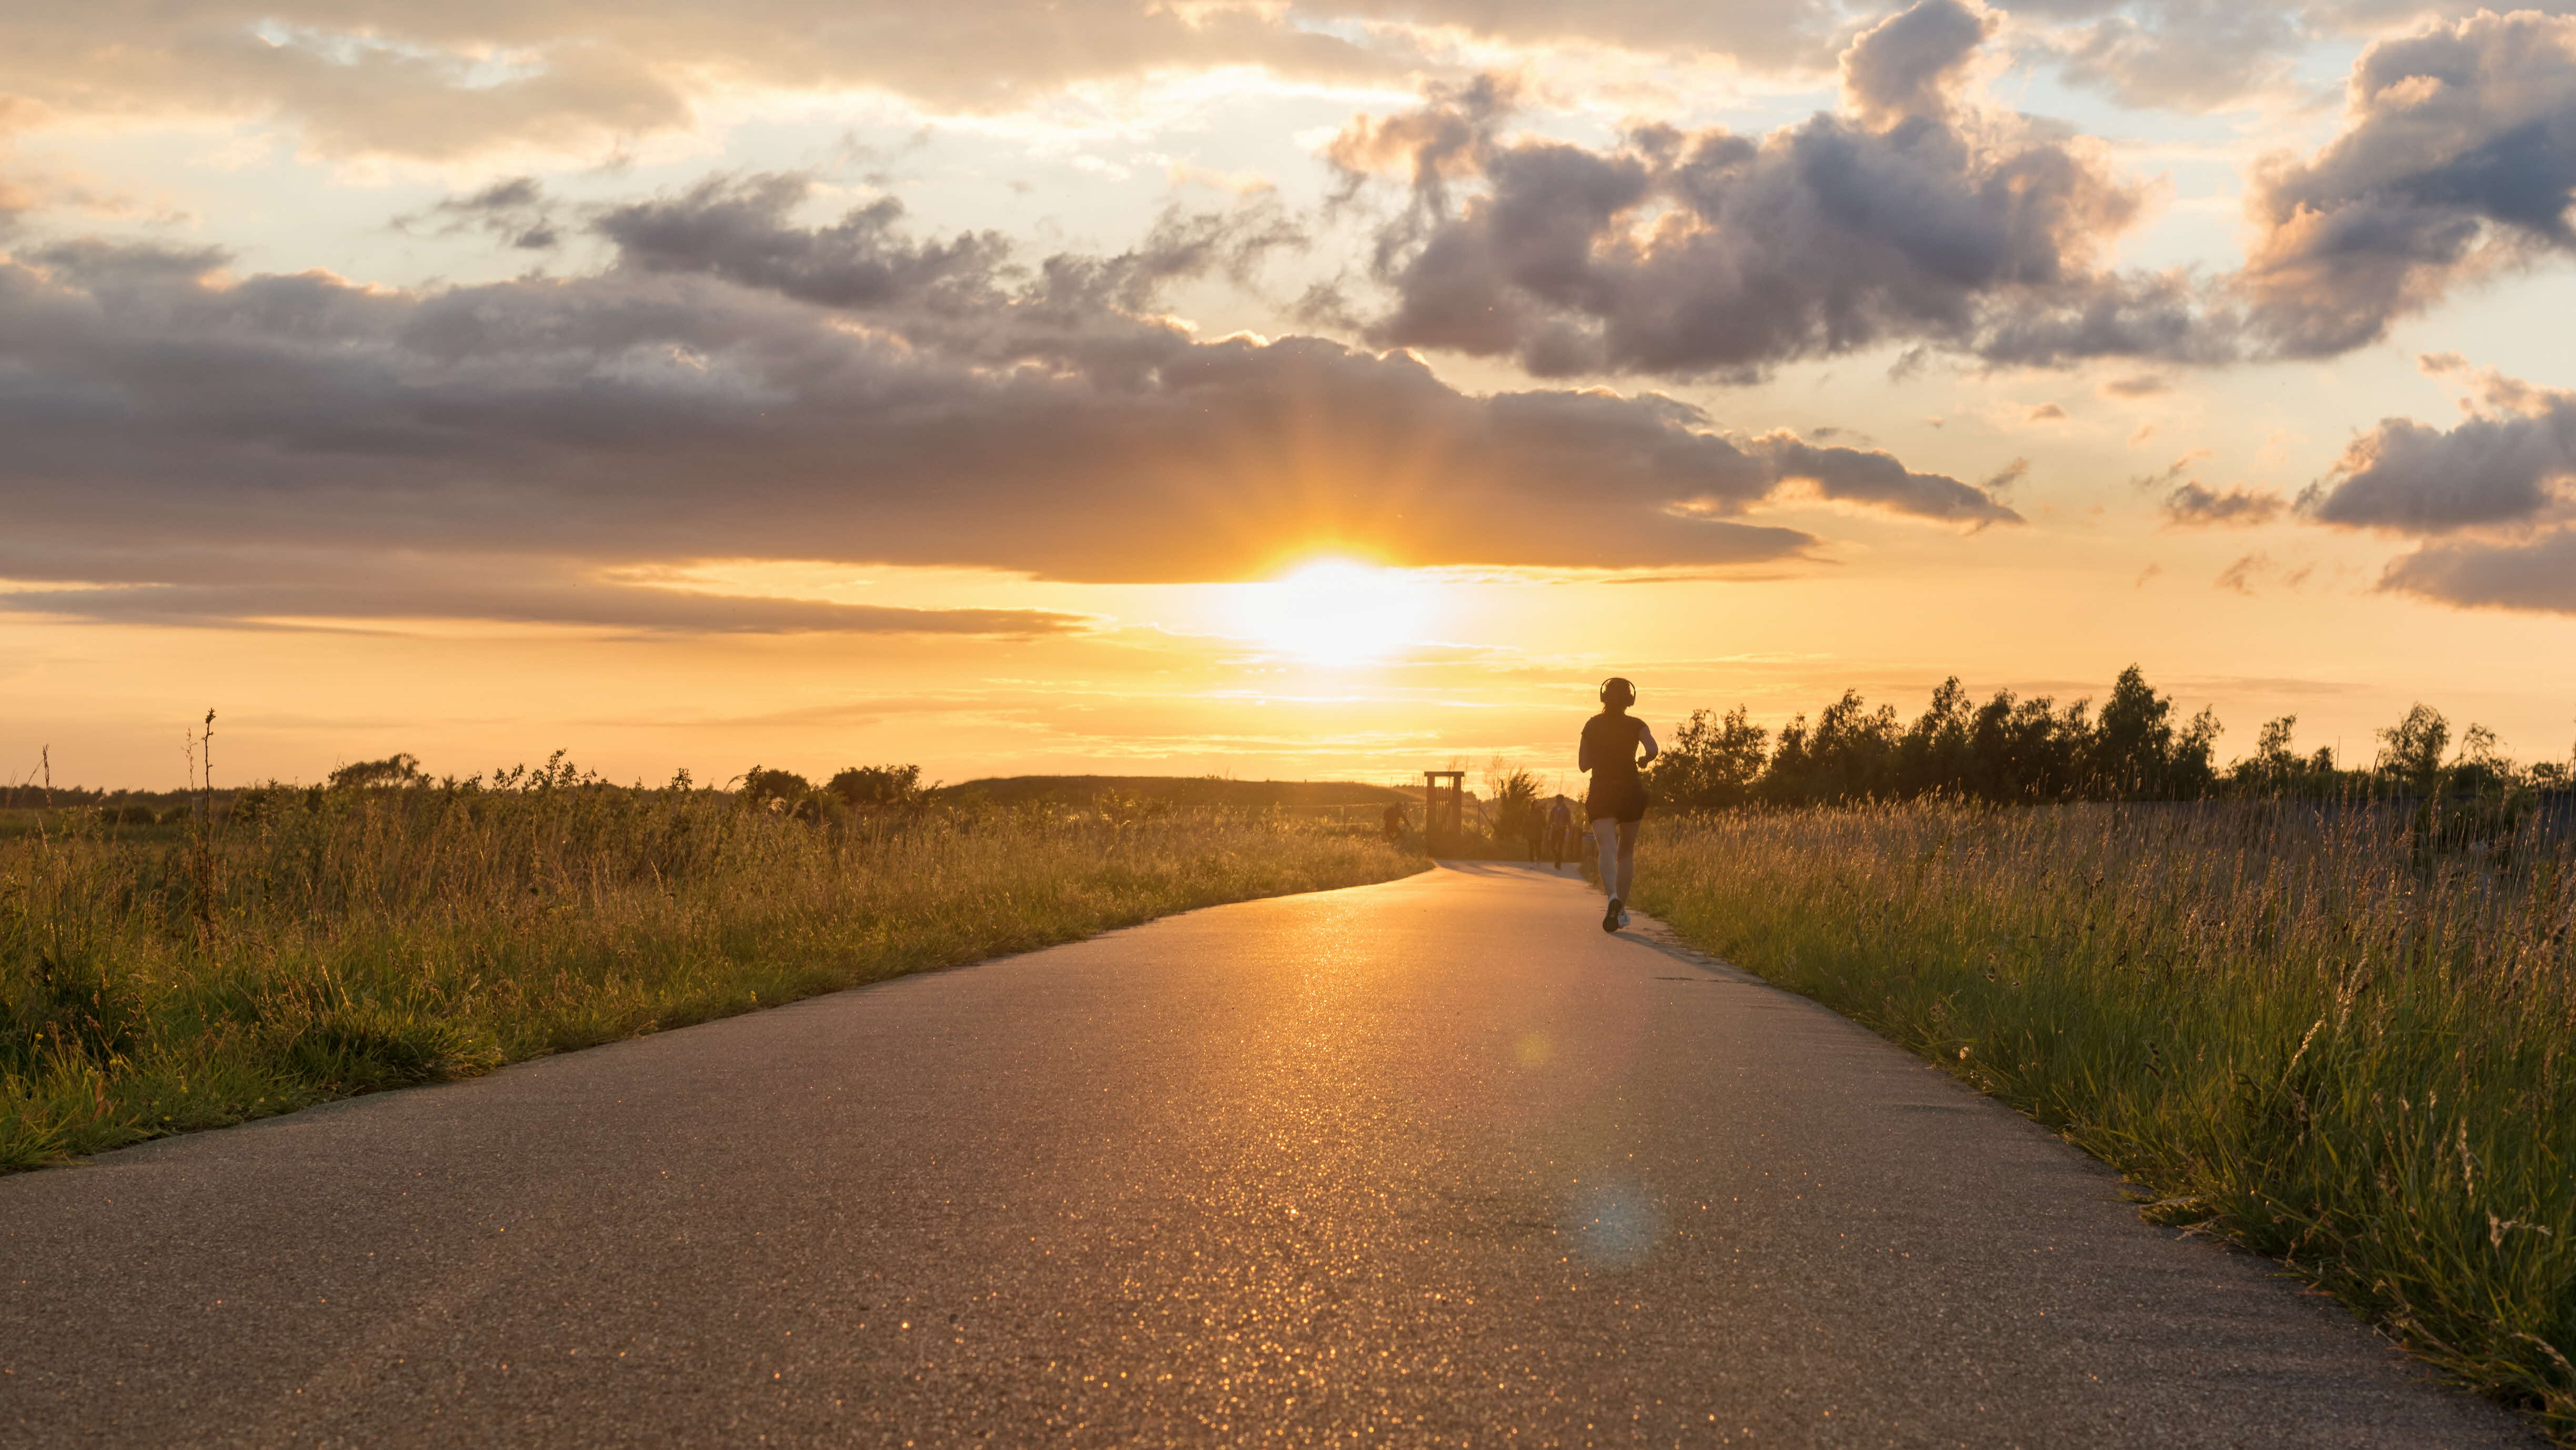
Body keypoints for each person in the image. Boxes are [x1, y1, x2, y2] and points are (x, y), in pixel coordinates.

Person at [1578, 677, 1658, 932]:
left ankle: (1612, 897)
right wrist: (1644, 759)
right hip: (1630, 790)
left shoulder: (1592, 725)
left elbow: (1583, 765)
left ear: (1603, 697)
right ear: (1630, 700)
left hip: (1602, 790)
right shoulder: (1637, 725)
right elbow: (1653, 749)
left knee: (1607, 849)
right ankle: (1621, 909)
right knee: (1626, 853)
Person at [1546, 795, 1575, 869]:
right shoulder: (1554, 809)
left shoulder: (1566, 810)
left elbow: (1569, 821)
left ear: (1562, 800)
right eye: (1556, 800)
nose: (1556, 801)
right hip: (1555, 830)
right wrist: (1548, 827)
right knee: (1552, 846)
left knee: (1560, 847)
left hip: (1562, 830)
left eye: (1558, 800)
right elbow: (1550, 819)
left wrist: (1570, 830)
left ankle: (1559, 864)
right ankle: (1557, 858)